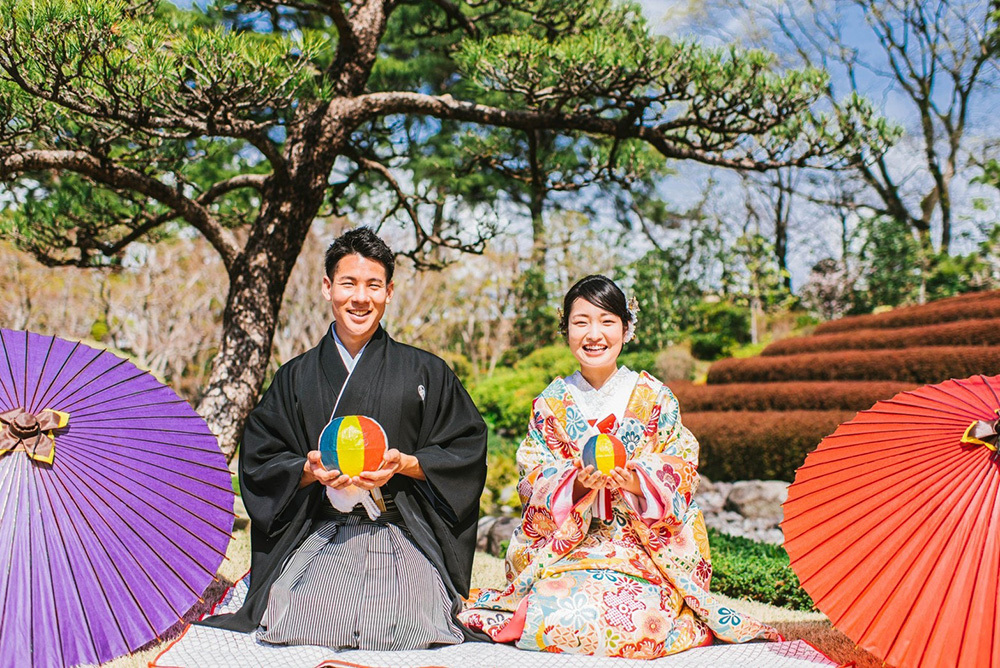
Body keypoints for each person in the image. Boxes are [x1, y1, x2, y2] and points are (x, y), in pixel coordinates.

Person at [459, 275, 780, 658]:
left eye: (607, 321)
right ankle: (535, 609)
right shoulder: (550, 404)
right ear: (566, 330)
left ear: (626, 329)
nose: (594, 334)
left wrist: (636, 482)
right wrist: (577, 483)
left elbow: (682, 467)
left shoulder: (655, 398)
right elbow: (532, 478)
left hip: (641, 548)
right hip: (569, 549)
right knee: (562, 613)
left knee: (635, 623)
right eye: (581, 322)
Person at [201, 227, 488, 650]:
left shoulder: (426, 372)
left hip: (400, 533)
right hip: (321, 532)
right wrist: (306, 471)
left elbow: (465, 448)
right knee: (298, 619)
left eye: (373, 285)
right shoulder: (295, 376)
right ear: (327, 287)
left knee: (409, 624)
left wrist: (407, 464)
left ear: (389, 292)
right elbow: (261, 458)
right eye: (348, 283)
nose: (360, 298)